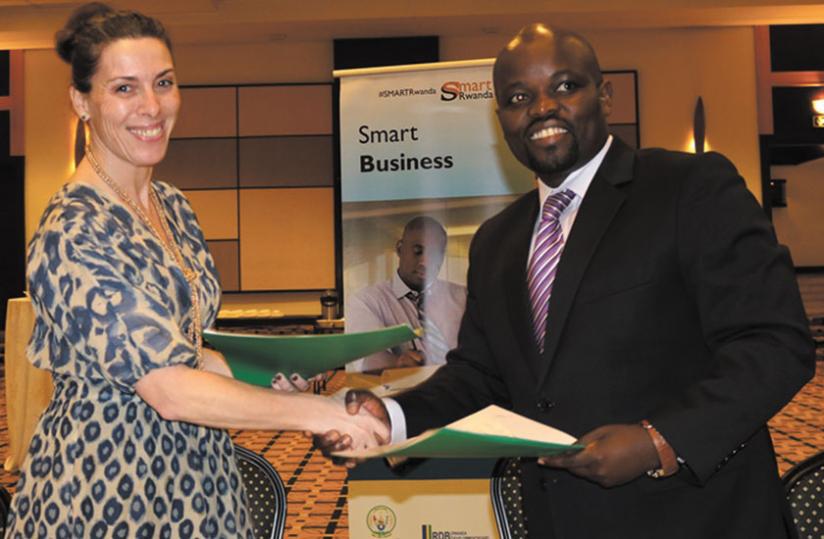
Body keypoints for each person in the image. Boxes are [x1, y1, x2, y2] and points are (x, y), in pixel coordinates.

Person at [321, 23, 815, 538]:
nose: (541, 108)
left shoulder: (690, 189)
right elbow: (481, 376)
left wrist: (659, 440)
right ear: (501, 121)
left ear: (603, 95)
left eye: (564, 86)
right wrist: (391, 416)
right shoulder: (496, 240)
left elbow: (774, 343)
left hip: (698, 517)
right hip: (561, 519)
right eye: (517, 97)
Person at [5, 4, 387, 537]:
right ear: (81, 101)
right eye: (124, 88)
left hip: (198, 475)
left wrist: (270, 381)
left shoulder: (173, 206)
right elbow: (169, 388)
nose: (152, 106)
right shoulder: (73, 227)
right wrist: (314, 412)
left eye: (163, 83)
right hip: (107, 490)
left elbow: (183, 351)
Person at [345, 216, 466, 372]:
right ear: (400, 249)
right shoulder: (367, 301)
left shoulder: (463, 298)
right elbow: (367, 358)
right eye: (418, 251)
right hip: (404, 392)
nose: (425, 262)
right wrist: (398, 362)